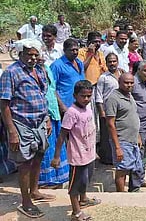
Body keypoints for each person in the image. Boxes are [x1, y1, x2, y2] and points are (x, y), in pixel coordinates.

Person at [0, 38, 54, 218]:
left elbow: (42, 96)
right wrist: (12, 131)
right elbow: (4, 104)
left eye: (35, 55)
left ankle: (35, 190)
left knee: (38, 156)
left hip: (39, 122)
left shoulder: (38, 70)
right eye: (29, 54)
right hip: (22, 124)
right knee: (25, 163)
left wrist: (46, 118)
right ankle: (26, 202)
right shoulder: (11, 72)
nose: (32, 58)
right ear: (20, 54)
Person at [51, 80, 101, 221]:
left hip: (89, 153)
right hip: (78, 155)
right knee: (75, 184)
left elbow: (90, 129)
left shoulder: (88, 108)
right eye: (83, 96)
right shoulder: (72, 113)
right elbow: (62, 136)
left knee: (86, 179)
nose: (86, 99)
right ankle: (76, 212)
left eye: (89, 96)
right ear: (75, 96)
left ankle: (83, 199)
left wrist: (94, 150)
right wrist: (56, 157)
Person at [105, 73, 144, 192]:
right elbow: (110, 124)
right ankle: (121, 196)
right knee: (122, 170)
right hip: (122, 140)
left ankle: (132, 192)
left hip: (132, 140)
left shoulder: (129, 96)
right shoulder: (113, 98)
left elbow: (133, 115)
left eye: (131, 82)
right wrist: (117, 147)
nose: (129, 85)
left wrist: (137, 136)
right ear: (119, 82)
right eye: (126, 83)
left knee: (134, 168)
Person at [38, 55, 69, 188]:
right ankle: (45, 180)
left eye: (39, 55)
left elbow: (52, 89)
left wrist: (61, 106)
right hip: (44, 115)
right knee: (46, 147)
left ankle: (58, 177)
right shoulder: (33, 73)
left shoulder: (47, 69)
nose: (39, 58)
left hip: (54, 111)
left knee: (57, 144)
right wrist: (46, 116)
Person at [96, 53, 124, 165]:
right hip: (108, 110)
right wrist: (101, 112)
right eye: (110, 62)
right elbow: (98, 95)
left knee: (119, 134)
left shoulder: (122, 74)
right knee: (107, 136)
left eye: (114, 61)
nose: (112, 64)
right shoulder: (103, 77)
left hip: (121, 110)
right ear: (106, 63)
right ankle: (108, 159)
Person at [131, 61, 146, 188]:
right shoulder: (133, 83)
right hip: (138, 126)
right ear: (139, 70)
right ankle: (135, 184)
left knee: (143, 153)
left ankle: (140, 178)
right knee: (138, 153)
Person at [51, 38, 86, 114]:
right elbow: (51, 88)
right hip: (66, 106)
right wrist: (61, 106)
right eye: (72, 50)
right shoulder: (57, 65)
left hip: (80, 105)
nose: (75, 52)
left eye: (77, 50)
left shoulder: (79, 63)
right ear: (64, 50)